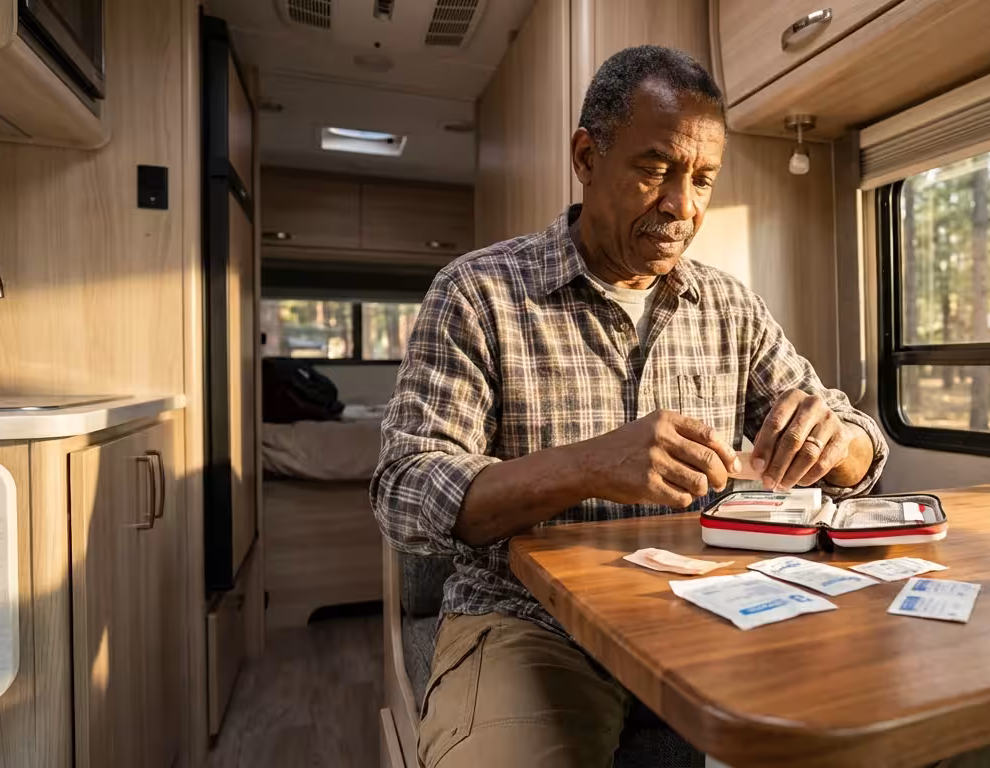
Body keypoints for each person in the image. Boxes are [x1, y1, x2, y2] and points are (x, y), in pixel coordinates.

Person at [372, 45, 888, 768]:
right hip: (531, 622)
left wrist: (837, 443)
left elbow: (858, 437)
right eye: (656, 170)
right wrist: (586, 467)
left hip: (713, 609)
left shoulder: (730, 305)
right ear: (587, 157)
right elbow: (403, 491)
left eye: (703, 179)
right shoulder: (477, 294)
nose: (683, 206)